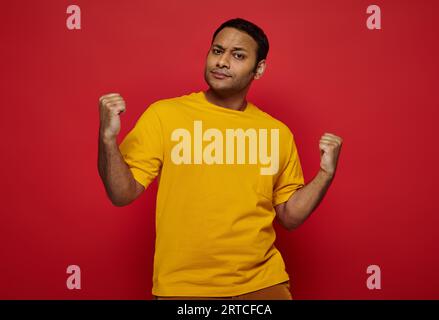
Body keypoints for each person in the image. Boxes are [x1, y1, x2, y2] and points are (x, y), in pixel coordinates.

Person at [97, 17, 343, 300]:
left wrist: (325, 173)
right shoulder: (164, 115)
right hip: (183, 288)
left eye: (238, 55)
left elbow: (289, 216)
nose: (222, 61)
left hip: (262, 286)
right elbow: (121, 193)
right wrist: (107, 140)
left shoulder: (277, 133)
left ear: (258, 69)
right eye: (217, 50)